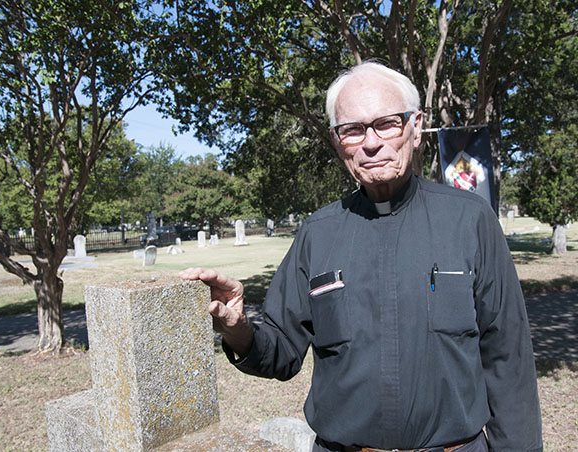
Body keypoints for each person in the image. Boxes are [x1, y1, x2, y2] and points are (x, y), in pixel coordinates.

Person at [180, 62, 543, 452]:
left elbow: (509, 360)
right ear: (338, 143)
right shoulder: (317, 234)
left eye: (387, 123)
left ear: (415, 127)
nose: (371, 143)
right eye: (352, 130)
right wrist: (238, 328)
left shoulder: (470, 221)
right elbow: (281, 352)